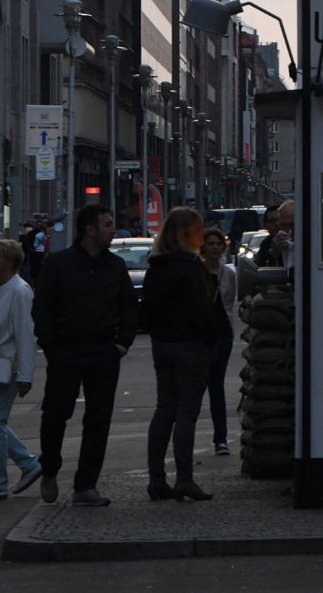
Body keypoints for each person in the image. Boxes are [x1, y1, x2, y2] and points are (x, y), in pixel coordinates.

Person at [32, 203, 136, 506]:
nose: (113, 230)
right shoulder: (59, 264)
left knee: (98, 419)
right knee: (55, 414)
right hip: (66, 350)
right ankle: (50, 467)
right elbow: (42, 307)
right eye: (108, 225)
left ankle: (86, 485)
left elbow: (129, 307)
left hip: (103, 352)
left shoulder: (115, 266)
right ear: (90, 230)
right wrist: (51, 346)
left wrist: (122, 344)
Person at [143, 207, 217, 501]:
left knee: (164, 409)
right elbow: (202, 310)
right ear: (186, 233)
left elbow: (147, 309)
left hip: (163, 345)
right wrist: (209, 342)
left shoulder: (156, 266)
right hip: (191, 345)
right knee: (187, 411)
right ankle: (184, 478)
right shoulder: (192, 266)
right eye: (198, 230)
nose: (203, 235)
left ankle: (156, 479)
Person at [0, 239, 41, 500]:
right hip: (0, 365)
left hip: (6, 368)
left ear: (10, 261)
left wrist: (25, 375)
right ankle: (27, 463)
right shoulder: (1, 288)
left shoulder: (19, 291)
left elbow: (25, 335)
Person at [201, 226, 237, 457]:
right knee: (196, 386)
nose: (215, 248)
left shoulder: (229, 274)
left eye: (218, 244)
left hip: (222, 334)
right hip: (201, 335)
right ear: (203, 247)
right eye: (211, 244)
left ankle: (221, 439)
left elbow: (230, 301)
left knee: (216, 385)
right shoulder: (197, 273)